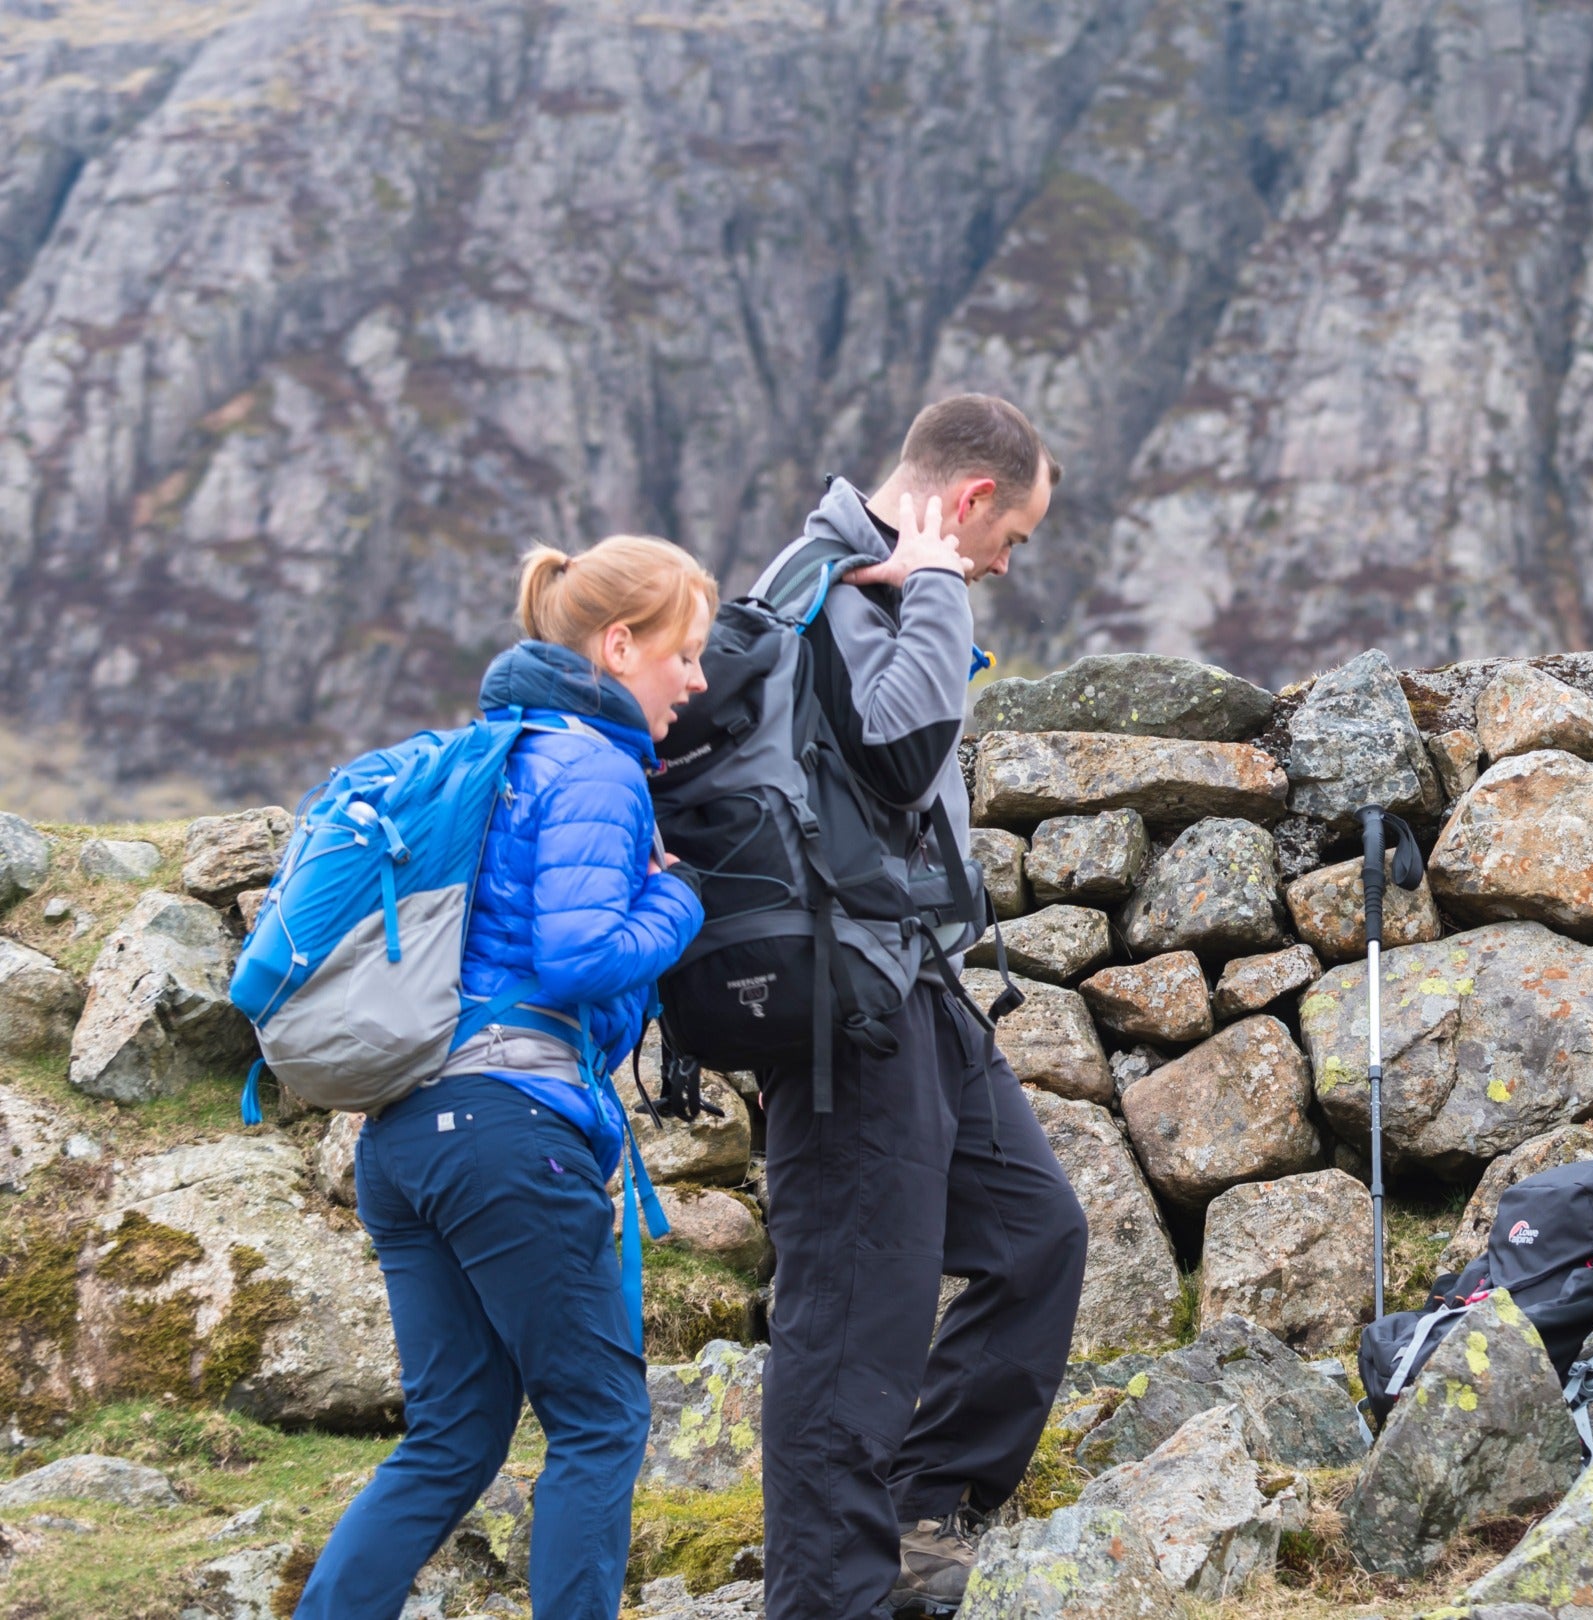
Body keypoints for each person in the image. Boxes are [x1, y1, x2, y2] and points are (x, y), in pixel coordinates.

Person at [296, 536, 715, 1620]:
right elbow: (575, 958)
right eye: (686, 654)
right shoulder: (593, 767)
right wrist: (680, 901)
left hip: (404, 1141)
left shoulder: (492, 752)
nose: (697, 681)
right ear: (620, 646)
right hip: (506, 1135)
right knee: (599, 1420)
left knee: (455, 1436)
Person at [743, 395, 1088, 1618]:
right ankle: (828, 1600)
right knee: (852, 1321)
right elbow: (896, 750)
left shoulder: (878, 586)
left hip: (917, 985)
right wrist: (939, 581)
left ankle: (924, 1521)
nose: (1008, 565)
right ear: (973, 502)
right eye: (1014, 538)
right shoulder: (836, 582)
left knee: (1036, 1236)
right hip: (847, 1010)